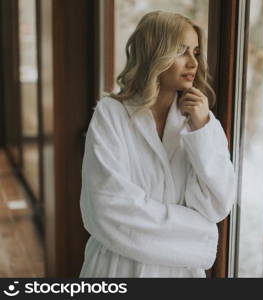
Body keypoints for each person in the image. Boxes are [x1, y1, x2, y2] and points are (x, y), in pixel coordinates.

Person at [78, 10, 236, 277]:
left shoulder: (200, 122)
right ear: (154, 53)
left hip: (181, 274)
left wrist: (202, 129)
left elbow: (216, 205)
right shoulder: (110, 114)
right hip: (117, 270)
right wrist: (197, 233)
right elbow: (107, 208)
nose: (192, 63)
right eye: (181, 51)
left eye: (195, 52)